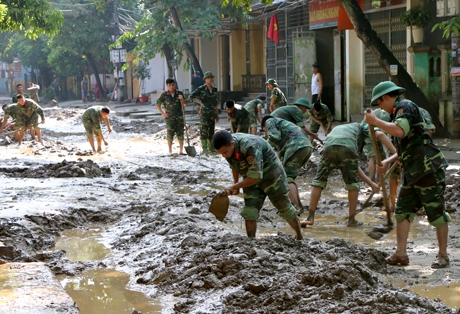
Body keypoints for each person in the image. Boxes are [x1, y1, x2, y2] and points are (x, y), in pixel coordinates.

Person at [364, 81, 450, 268]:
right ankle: (401, 254)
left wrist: (377, 122)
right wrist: (387, 161)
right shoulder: (396, 113)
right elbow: (406, 146)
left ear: (386, 97)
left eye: (380, 103)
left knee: (436, 212)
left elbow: (401, 131)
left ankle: (443, 255)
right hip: (412, 171)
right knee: (402, 211)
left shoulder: (405, 107)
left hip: (428, 169)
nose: (380, 107)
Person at [212, 130, 303, 239]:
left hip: (272, 175)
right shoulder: (227, 149)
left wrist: (234, 187)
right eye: (221, 153)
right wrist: (235, 184)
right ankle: (251, 241)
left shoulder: (249, 146)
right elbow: (234, 165)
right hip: (250, 176)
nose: (224, 155)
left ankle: (299, 236)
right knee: (250, 211)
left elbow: (256, 177)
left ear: (232, 144)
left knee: (284, 207)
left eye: (225, 152)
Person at [300, 123, 380, 228]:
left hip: (329, 146)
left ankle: (310, 217)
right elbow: (354, 167)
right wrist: (371, 184)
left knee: (318, 181)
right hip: (347, 147)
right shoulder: (362, 128)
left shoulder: (342, 128)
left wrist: (371, 184)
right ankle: (351, 220)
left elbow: (354, 166)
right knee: (352, 184)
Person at [261, 115, 313, 214]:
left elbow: (274, 137)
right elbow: (277, 154)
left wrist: (261, 146)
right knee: (290, 177)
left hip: (296, 145)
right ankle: (299, 207)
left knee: (287, 177)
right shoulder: (281, 126)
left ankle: (294, 208)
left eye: (265, 131)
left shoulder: (270, 121)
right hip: (305, 146)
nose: (267, 133)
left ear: (264, 127)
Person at [360, 108, 397, 182]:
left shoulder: (387, 114)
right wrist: (396, 153)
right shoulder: (383, 116)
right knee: (373, 155)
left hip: (373, 129)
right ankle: (372, 181)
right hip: (367, 132)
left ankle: (380, 181)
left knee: (382, 156)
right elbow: (381, 134)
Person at [190, 71, 220, 154]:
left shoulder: (214, 90)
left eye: (211, 78)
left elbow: (216, 103)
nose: (210, 79)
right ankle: (204, 148)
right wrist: (199, 103)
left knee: (211, 131)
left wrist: (216, 114)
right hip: (204, 113)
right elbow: (191, 96)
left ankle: (211, 148)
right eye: (208, 78)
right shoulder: (201, 89)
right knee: (204, 131)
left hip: (212, 113)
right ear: (205, 79)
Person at [155, 78, 188, 155]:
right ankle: (170, 150)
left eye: (173, 85)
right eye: (169, 85)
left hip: (179, 117)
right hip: (169, 118)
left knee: (180, 133)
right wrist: (163, 113)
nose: (171, 87)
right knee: (170, 134)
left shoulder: (179, 93)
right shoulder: (164, 95)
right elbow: (157, 104)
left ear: (175, 85)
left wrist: (182, 99)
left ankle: (181, 150)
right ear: (167, 86)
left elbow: (185, 103)